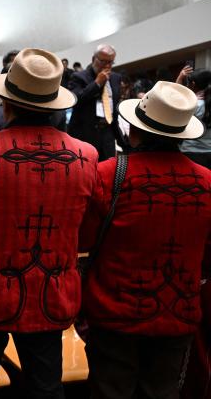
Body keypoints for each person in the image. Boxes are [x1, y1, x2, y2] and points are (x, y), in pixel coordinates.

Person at [0, 48, 98, 399]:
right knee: (46, 387)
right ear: (55, 105)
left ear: (6, 103)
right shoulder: (86, 156)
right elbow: (85, 232)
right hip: (51, 293)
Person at [78, 81, 211, 399]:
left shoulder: (109, 173)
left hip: (114, 313)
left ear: (134, 132)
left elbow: (84, 239)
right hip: (177, 313)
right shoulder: (208, 182)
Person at [68, 43, 123, 161]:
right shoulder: (78, 77)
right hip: (84, 135)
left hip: (107, 134)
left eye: (111, 62)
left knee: (107, 173)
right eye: (103, 62)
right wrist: (97, 84)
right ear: (94, 59)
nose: (107, 66)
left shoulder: (115, 78)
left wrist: (120, 139)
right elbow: (75, 100)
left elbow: (114, 109)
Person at [177, 67, 211, 168]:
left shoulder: (193, 105)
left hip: (190, 153)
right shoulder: (202, 104)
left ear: (193, 84)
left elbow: (173, 108)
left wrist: (179, 78)